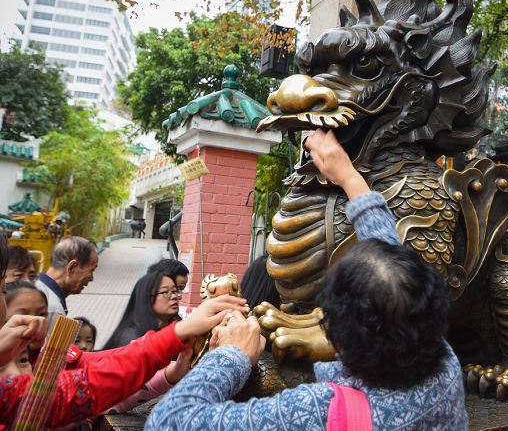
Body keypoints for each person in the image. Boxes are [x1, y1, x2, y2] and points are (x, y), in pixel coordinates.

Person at [147, 129, 468, 431]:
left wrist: (232, 356)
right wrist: (349, 177)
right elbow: (394, 265)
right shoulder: (444, 364)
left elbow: (167, 421)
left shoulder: (318, 411)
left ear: (338, 339)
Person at [0, 232, 248, 428]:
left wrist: (172, 366)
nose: (175, 297)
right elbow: (92, 384)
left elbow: (96, 365)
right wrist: (180, 335)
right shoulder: (17, 387)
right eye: (3, 289)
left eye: (178, 290)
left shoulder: (38, 349)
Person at [102, 270, 182, 349]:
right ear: (146, 298)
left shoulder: (177, 327)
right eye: (165, 292)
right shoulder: (132, 338)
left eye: (175, 291)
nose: (174, 296)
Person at [35, 236, 99, 328]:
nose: (91, 278)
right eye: (91, 270)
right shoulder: (53, 309)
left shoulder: (34, 286)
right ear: (71, 268)